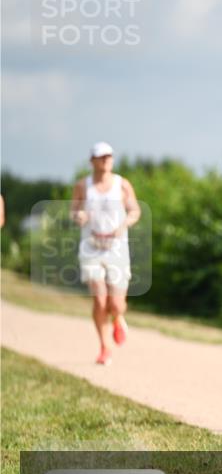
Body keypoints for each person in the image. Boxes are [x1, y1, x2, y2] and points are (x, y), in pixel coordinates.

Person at [70, 142, 141, 365]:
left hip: (117, 249)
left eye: (109, 157)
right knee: (99, 300)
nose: (106, 160)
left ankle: (118, 318)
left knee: (116, 304)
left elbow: (135, 210)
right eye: (101, 157)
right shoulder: (83, 186)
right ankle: (104, 347)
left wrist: (124, 225)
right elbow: (73, 210)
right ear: (92, 161)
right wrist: (79, 216)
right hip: (91, 248)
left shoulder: (122, 185)